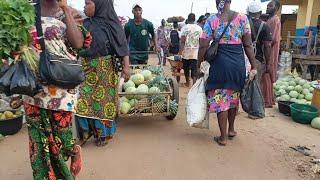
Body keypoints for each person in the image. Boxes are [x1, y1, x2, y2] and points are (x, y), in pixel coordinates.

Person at [23, 0, 85, 179]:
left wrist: (65, 9)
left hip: (61, 87)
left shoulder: (70, 12)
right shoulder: (27, 11)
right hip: (34, 87)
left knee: (62, 139)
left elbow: (78, 43)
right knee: (38, 142)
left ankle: (72, 150)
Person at [198, 0, 257, 146]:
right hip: (237, 64)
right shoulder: (243, 18)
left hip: (219, 64)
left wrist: (200, 64)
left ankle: (223, 137)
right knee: (233, 96)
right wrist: (254, 66)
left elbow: (203, 44)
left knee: (220, 99)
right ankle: (231, 129)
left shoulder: (212, 20)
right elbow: (248, 45)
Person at [76, 0, 130, 147]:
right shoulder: (84, 23)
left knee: (103, 102)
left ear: (99, 5)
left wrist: (126, 67)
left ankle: (102, 135)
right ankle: (85, 132)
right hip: (87, 68)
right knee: (83, 99)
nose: (84, 6)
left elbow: (122, 45)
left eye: (88, 3)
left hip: (106, 69)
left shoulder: (112, 24)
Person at [247, 1, 274, 109]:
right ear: (260, 12)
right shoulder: (265, 26)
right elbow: (267, 46)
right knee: (256, 84)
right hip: (256, 59)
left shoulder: (244, 23)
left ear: (248, 12)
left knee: (241, 84)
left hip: (242, 59)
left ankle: (236, 109)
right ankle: (254, 110)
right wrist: (268, 63)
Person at [179, 13, 203, 87]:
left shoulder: (185, 28)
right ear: (195, 19)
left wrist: (180, 52)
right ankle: (194, 85)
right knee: (194, 69)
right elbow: (200, 41)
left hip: (186, 52)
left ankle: (187, 83)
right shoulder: (199, 28)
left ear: (188, 19)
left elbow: (182, 41)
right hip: (195, 52)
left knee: (186, 68)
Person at [266, 0, 281, 83]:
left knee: (270, 67)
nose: (268, 7)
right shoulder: (269, 19)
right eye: (267, 6)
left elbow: (273, 38)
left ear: (276, 8)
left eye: (270, 6)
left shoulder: (275, 20)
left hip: (271, 49)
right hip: (267, 48)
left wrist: (265, 44)